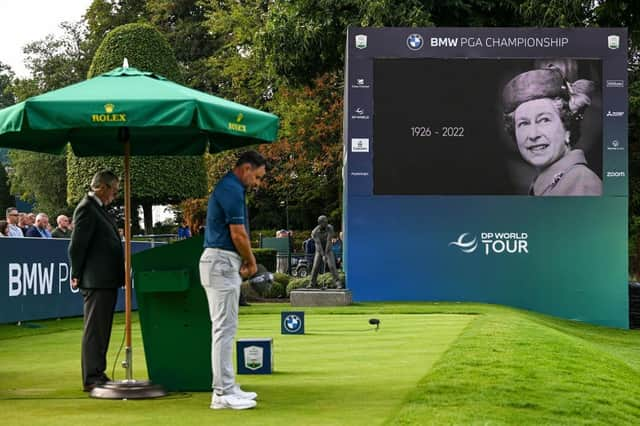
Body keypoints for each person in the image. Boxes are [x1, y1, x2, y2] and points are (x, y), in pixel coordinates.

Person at [199, 150, 267, 410]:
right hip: (221, 261)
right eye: (257, 177)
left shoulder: (231, 187)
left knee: (226, 327)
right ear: (247, 168)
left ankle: (228, 386)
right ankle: (222, 393)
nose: (257, 183)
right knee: (223, 329)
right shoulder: (232, 189)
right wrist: (251, 262)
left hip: (221, 262)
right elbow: (238, 234)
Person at [502, 64, 601, 196]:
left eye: (544, 120)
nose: (533, 135)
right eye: (524, 123)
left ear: (567, 128)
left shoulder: (581, 183)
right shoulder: (549, 183)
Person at [68, 170, 124, 392]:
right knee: (95, 331)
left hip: (105, 279)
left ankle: (97, 373)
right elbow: (77, 245)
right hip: (96, 280)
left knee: (101, 330)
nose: (115, 194)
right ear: (102, 187)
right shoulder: (86, 209)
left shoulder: (98, 209)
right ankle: (92, 377)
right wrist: (77, 273)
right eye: (114, 189)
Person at [308, 215, 342, 289]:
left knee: (332, 266)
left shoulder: (330, 228)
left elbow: (329, 241)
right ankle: (312, 283)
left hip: (328, 249)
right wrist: (323, 255)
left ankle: (338, 282)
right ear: (320, 223)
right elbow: (318, 244)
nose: (327, 223)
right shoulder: (315, 232)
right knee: (315, 266)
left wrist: (326, 254)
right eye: (325, 222)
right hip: (319, 250)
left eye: (327, 222)